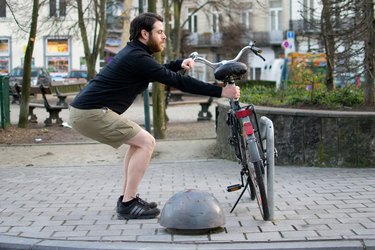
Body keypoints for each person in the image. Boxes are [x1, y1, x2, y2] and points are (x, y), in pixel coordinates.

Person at [69, 12, 240, 220]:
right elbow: (179, 82)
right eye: (159, 32)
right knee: (146, 142)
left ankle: (126, 198)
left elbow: (160, 71)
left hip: (85, 112)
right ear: (144, 34)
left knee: (137, 144)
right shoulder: (137, 57)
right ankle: (128, 203)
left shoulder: (135, 55)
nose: (164, 36)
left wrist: (178, 64)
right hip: (91, 112)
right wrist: (220, 91)